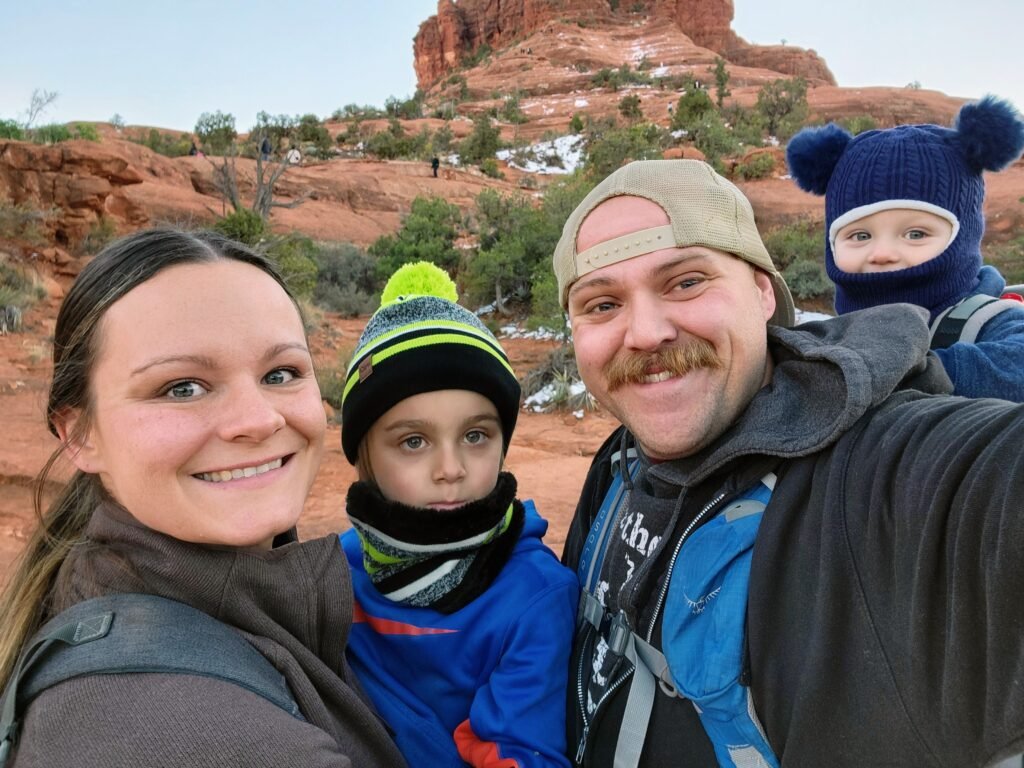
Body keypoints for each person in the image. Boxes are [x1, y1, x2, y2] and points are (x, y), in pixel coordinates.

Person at [552, 159, 1024, 767]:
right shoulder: (617, 468)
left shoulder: (884, 478)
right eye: (600, 304)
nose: (643, 332)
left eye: (686, 282)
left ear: (762, 290)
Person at [0, 228, 407, 768]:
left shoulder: (124, 597)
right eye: (182, 387)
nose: (259, 420)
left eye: (280, 373)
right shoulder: (181, 735)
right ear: (80, 434)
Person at [338, 262, 579, 767]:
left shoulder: (532, 594)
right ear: (366, 457)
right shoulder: (330, 574)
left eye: (475, 435)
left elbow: (519, 751)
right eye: (413, 441)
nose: (450, 469)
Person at [787, 95, 1024, 400]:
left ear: (964, 236)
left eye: (915, 234)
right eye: (860, 236)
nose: (882, 253)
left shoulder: (990, 321)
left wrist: (906, 375)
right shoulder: (829, 335)